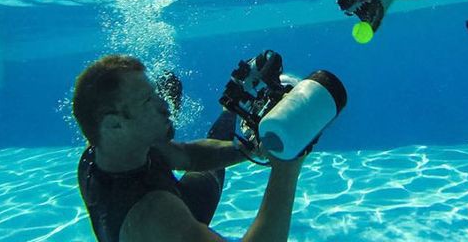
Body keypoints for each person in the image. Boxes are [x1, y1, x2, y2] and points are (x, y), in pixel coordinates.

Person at [72, 54, 305, 242]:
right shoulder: (155, 216)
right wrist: (287, 166)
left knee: (203, 169)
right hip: (170, 225)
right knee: (206, 181)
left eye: (156, 95)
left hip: (172, 203)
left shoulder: (111, 147)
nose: (164, 105)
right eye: (148, 100)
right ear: (114, 124)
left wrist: (249, 150)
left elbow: (187, 155)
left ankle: (233, 109)